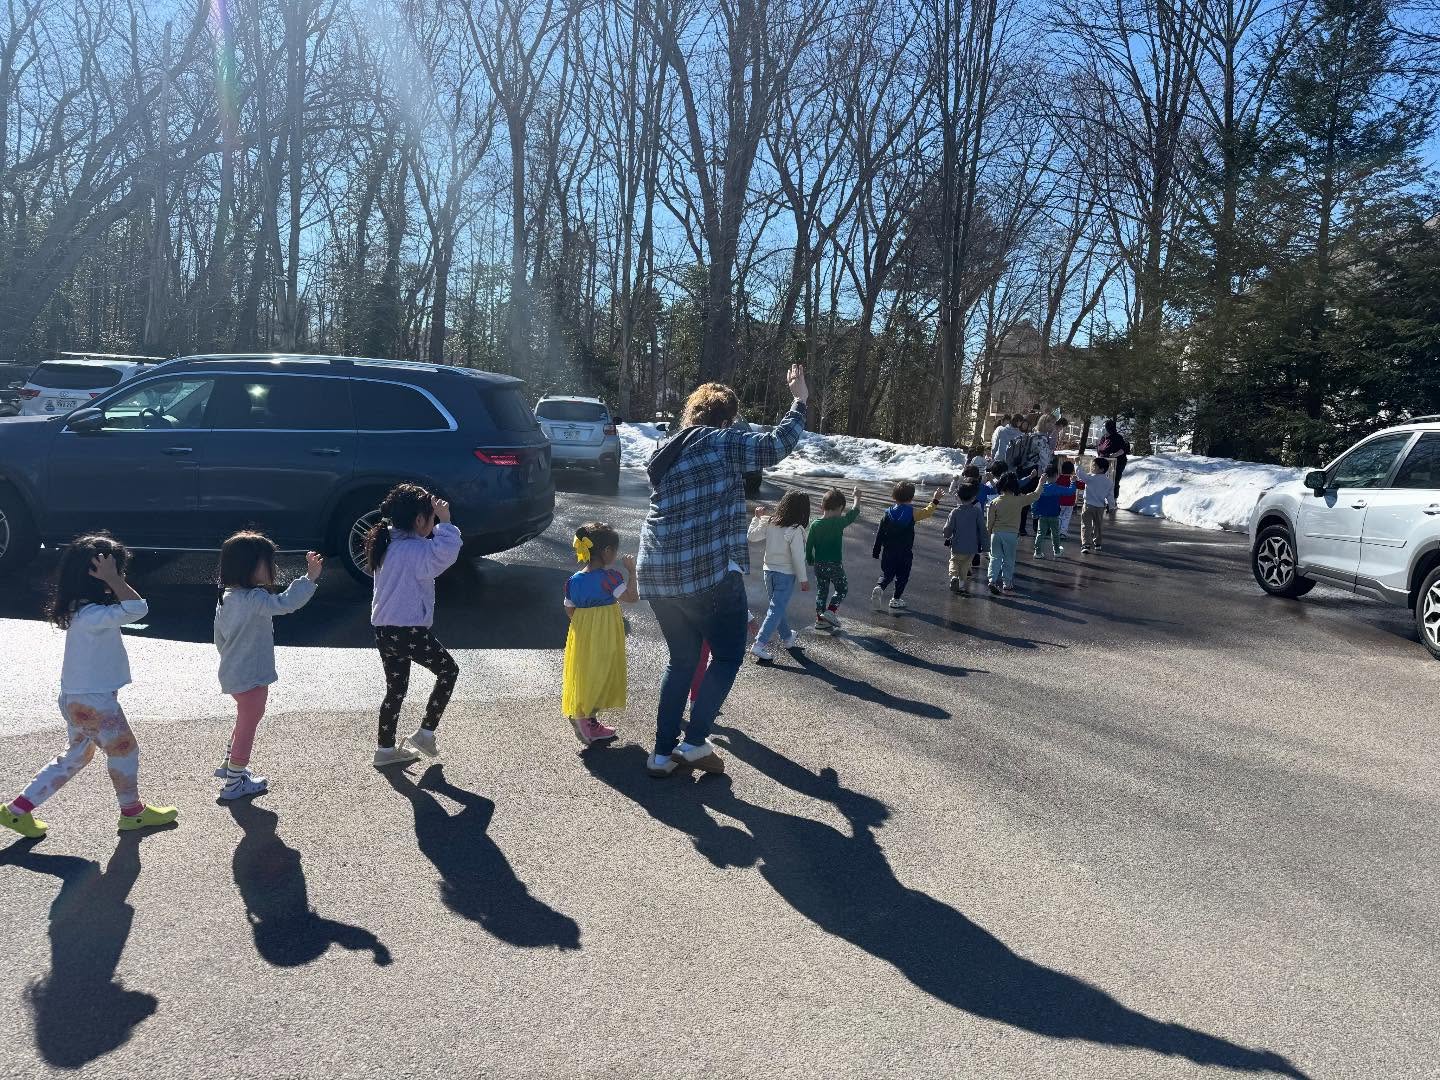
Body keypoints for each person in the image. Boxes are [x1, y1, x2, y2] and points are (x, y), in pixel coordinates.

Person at [637, 365, 808, 778]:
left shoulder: (668, 448)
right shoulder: (719, 440)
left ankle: (661, 754)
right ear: (728, 418)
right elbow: (775, 445)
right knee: (728, 655)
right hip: (705, 572)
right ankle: (695, 742)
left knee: (681, 661)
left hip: (657, 572)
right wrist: (800, 401)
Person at [2, 535, 179, 839]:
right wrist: (114, 579)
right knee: (124, 751)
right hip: (93, 702)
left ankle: (17, 811)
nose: (121, 576)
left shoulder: (78, 609)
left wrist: (110, 578)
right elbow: (137, 609)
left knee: (77, 755)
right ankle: (132, 813)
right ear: (96, 576)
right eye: (117, 571)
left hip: (77, 698)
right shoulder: (93, 616)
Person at [213, 532, 324, 800]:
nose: (273, 568)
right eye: (268, 562)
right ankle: (233, 784)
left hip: (233, 672)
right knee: (248, 726)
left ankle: (230, 766)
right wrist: (309, 578)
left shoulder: (227, 597)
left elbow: (219, 638)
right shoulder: (254, 599)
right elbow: (286, 603)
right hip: (251, 676)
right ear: (249, 566)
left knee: (244, 719)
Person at [366, 483, 462, 768]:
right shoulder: (416, 550)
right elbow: (445, 553)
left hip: (384, 630)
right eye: (431, 518)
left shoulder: (386, 544)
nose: (433, 524)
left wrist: (439, 521)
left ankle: (385, 749)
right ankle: (425, 733)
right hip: (408, 629)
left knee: (395, 689)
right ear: (419, 520)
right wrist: (446, 522)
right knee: (448, 671)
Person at [562, 522, 638, 746]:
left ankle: (585, 717)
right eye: (614, 551)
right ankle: (586, 720)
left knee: (586, 674)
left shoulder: (573, 580)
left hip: (583, 635)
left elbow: (569, 609)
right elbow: (632, 598)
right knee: (602, 673)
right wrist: (632, 572)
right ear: (606, 551)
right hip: (605, 635)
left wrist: (586, 625)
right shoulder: (610, 578)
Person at [748, 491, 811, 661]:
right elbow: (798, 557)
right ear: (803, 511)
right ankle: (759, 644)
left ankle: (787, 637)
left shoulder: (771, 522)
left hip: (768, 572)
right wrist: (803, 579)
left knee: (777, 608)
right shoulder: (795, 529)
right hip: (785, 574)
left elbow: (752, 536)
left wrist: (756, 518)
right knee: (776, 609)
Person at [871, 482, 942, 611]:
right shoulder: (912, 512)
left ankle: (880, 587)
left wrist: (876, 550)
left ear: (894, 496)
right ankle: (896, 599)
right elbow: (927, 512)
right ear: (911, 497)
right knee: (902, 576)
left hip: (888, 551)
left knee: (887, 574)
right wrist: (935, 500)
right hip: (904, 552)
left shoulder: (887, 514)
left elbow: (880, 533)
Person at [805, 485, 862, 629]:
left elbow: (809, 545)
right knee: (842, 589)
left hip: (819, 565)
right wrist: (857, 497)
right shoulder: (838, 522)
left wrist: (810, 559)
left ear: (823, 506)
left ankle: (820, 620)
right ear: (840, 508)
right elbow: (854, 512)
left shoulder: (815, 524)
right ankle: (830, 611)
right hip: (834, 565)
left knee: (822, 591)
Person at [985, 474, 1043, 595]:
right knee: (1009, 559)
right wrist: (1041, 482)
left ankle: (992, 580)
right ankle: (1007, 583)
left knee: (995, 558)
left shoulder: (994, 502)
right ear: (1015, 486)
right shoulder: (1019, 500)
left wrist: (988, 534)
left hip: (996, 533)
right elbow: (1035, 495)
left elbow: (989, 523)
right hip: (1011, 534)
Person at [943, 472, 987, 595]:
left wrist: (946, 535)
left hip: (957, 544)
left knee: (954, 561)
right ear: (973, 497)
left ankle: (953, 577)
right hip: (972, 546)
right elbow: (982, 529)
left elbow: (948, 528)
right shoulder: (977, 512)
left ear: (958, 497)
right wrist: (985, 546)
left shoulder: (954, 512)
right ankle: (962, 585)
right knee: (965, 565)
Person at [1075, 457, 1115, 553]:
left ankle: (1086, 544)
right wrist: (1112, 507)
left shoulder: (1090, 478)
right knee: (1098, 525)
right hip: (1100, 507)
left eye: (1094, 466)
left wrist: (1077, 464)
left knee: (1086, 525)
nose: (1092, 467)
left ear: (1101, 469)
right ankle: (1097, 543)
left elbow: (1080, 473)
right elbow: (1110, 496)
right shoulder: (1109, 482)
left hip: (1088, 505)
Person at [1095, 419, 1130, 519]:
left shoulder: (1118, 437)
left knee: (1114, 480)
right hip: (1105, 462)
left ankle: (1113, 502)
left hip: (1118, 462)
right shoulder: (1104, 437)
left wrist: (1113, 456)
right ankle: (1101, 500)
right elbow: (1100, 449)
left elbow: (1122, 450)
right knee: (1102, 481)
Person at [1031, 464, 1067, 559]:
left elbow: (1034, 500)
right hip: (1054, 515)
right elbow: (1070, 491)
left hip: (1042, 516)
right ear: (1056, 475)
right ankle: (1057, 551)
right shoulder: (1057, 488)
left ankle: (1037, 552)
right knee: (1055, 534)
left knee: (1040, 534)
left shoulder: (1041, 488)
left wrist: (1034, 512)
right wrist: (1073, 483)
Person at [1056, 459, 1080, 537]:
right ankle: (1063, 532)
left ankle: (1056, 531)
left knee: (1059, 516)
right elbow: (1082, 486)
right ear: (1072, 470)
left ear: (1062, 469)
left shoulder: (1058, 478)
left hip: (1059, 502)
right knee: (1066, 518)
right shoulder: (1073, 479)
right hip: (1070, 503)